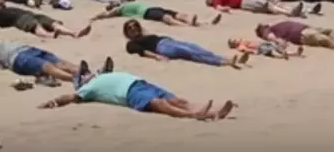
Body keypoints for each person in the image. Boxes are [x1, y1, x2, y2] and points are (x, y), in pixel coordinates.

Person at [36, 58, 235, 121]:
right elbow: (69, 97)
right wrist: (51, 103)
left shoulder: (101, 76)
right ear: (82, 81)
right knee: (160, 104)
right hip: (130, 93)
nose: (88, 73)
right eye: (84, 74)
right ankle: (192, 116)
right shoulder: (87, 89)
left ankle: (211, 112)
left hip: (142, 83)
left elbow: (107, 65)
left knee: (177, 100)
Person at [122, 19, 247, 68]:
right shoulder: (131, 43)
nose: (134, 29)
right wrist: (157, 57)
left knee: (196, 48)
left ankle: (226, 59)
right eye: (130, 28)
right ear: (127, 32)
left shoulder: (144, 35)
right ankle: (224, 62)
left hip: (168, 41)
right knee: (191, 53)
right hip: (162, 47)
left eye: (135, 26)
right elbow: (142, 52)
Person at [0, 0, 91, 39]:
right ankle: (50, 35)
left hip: (30, 14)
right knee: (35, 26)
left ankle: (73, 33)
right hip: (19, 19)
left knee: (53, 23)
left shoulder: (6, 8)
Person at [255, 21, 334, 51]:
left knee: (331, 32)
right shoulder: (268, 33)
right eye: (262, 27)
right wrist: (280, 43)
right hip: (302, 34)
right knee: (325, 39)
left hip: (306, 29)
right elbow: (274, 39)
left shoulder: (272, 27)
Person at [91, 1, 215, 26]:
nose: (114, 3)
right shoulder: (119, 9)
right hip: (145, 12)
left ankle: (201, 23)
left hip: (152, 7)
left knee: (177, 14)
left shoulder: (123, 3)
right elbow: (106, 14)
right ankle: (187, 26)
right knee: (166, 18)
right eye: (112, 4)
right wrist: (95, 17)